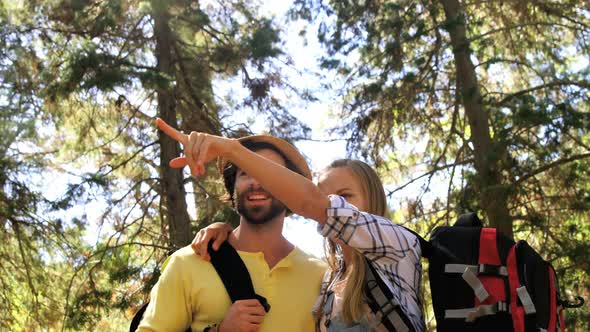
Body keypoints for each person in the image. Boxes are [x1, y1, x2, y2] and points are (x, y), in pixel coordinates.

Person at [168, 123, 425, 331]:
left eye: (345, 196)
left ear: (373, 199)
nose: (337, 206)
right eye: (328, 197)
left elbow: (311, 202)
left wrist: (233, 150)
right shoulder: (328, 280)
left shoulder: (398, 247)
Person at [137, 119, 327, 332]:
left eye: (269, 173)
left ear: (291, 189)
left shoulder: (321, 275)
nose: (256, 182)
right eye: (245, 172)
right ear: (232, 186)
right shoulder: (188, 263)